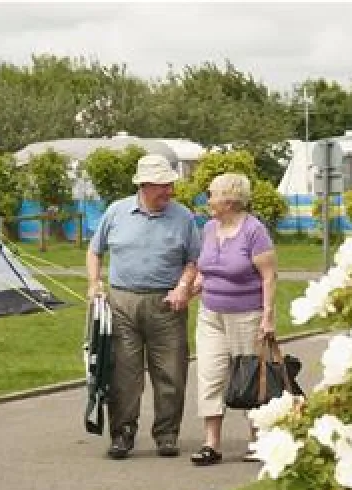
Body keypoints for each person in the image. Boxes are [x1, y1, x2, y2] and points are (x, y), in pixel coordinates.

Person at [86, 154, 202, 460]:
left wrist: (183, 286)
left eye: (170, 185)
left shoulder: (183, 217)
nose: (169, 192)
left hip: (167, 303)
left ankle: (167, 434)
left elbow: (193, 261)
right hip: (122, 301)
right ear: (144, 186)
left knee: (172, 372)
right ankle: (122, 434)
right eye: (163, 186)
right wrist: (94, 282)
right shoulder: (117, 211)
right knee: (123, 374)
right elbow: (95, 251)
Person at [188, 173, 277, 466]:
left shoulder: (254, 231)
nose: (208, 201)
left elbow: (268, 276)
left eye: (212, 195)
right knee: (210, 376)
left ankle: (257, 439)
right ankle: (211, 443)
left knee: (249, 377)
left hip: (247, 315)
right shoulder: (210, 228)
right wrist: (193, 287)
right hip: (211, 313)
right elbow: (206, 267)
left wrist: (267, 316)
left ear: (229, 200)